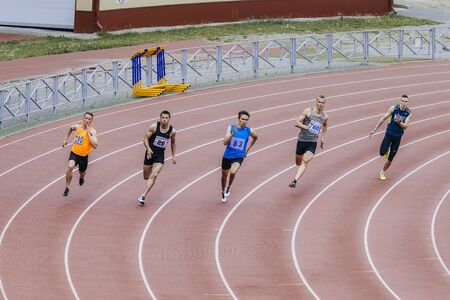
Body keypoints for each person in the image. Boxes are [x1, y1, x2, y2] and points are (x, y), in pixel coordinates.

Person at [137, 110, 176, 205]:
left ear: (169, 119)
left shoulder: (172, 131)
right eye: (162, 118)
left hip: (160, 156)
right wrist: (148, 149)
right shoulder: (154, 127)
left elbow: (173, 142)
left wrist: (173, 156)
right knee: (146, 177)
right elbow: (145, 138)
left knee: (154, 174)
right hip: (149, 154)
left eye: (166, 118)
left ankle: (143, 196)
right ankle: (151, 179)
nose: (164, 120)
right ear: (160, 118)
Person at [289, 95, 329, 188]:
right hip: (302, 140)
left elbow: (325, 127)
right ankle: (299, 171)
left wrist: (323, 138)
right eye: (319, 102)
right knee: (298, 163)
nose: (320, 104)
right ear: (316, 102)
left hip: (312, 142)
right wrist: (305, 127)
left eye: (323, 103)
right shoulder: (308, 111)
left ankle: (294, 181)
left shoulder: (325, 117)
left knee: (306, 160)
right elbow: (297, 123)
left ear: (325, 104)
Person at [369, 95, 412, 180]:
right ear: (400, 101)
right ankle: (386, 151)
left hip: (397, 137)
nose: (404, 103)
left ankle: (382, 172)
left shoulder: (408, 112)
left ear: (407, 102)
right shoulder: (394, 108)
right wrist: (374, 129)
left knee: (391, 158)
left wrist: (399, 122)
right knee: (382, 153)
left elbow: (406, 126)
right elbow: (384, 118)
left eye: (405, 101)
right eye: (402, 101)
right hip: (389, 133)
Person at [221, 110, 258, 203]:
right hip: (227, 156)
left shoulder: (249, 130)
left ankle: (229, 187)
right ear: (238, 119)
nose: (244, 121)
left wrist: (247, 150)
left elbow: (256, 137)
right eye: (242, 119)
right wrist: (232, 134)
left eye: (246, 120)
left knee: (233, 172)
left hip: (239, 156)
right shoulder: (231, 128)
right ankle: (223, 191)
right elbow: (225, 142)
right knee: (224, 176)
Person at [62, 112, 98, 196]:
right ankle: (67, 187)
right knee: (70, 166)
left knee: (82, 172)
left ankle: (81, 177)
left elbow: (95, 145)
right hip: (74, 153)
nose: (87, 120)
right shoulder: (78, 127)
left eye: (89, 119)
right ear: (83, 118)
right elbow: (70, 128)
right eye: (85, 118)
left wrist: (89, 133)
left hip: (83, 157)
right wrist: (65, 139)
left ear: (91, 121)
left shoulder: (93, 131)